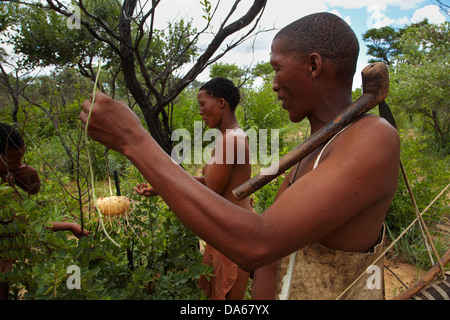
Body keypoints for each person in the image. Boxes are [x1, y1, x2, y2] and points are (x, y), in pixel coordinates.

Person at [80, 12, 400, 300]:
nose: (273, 84)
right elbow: (274, 256)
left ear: (314, 66)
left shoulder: (373, 138)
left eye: (277, 68)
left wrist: (134, 140)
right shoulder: (317, 148)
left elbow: (258, 245)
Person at [135, 78, 252, 300]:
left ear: (220, 102)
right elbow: (209, 183)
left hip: (234, 231)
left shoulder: (230, 140)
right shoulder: (231, 137)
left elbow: (209, 192)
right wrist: (162, 186)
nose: (200, 112)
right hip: (231, 227)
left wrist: (164, 182)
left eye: (202, 104)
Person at [0, 123, 90, 299]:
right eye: (12, 162)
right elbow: (25, 224)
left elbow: (32, 189)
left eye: (21, 158)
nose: (19, 164)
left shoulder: (7, 172)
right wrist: (67, 225)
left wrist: (30, 173)